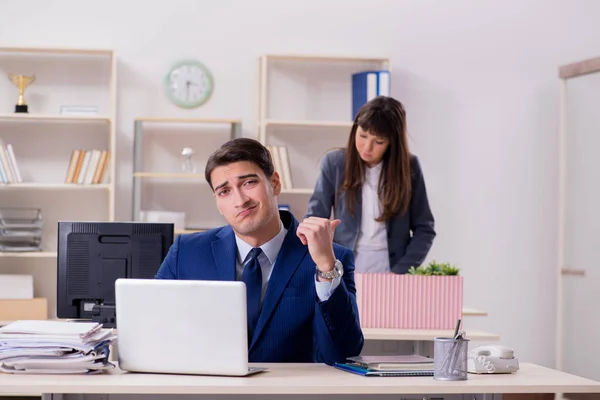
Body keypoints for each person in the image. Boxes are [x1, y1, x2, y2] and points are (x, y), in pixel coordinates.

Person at [155, 137, 363, 365]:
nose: (240, 200)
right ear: (217, 202)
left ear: (274, 183)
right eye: (225, 191)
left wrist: (325, 269)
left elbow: (343, 352)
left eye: (248, 183)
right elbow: (151, 329)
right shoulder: (186, 252)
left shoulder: (330, 258)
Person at [305, 96, 435, 274]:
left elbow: (424, 228)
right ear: (354, 130)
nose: (367, 147)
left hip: (392, 268)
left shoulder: (409, 167)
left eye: (378, 141)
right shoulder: (335, 163)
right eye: (363, 136)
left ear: (392, 142)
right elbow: (315, 220)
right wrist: (324, 264)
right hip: (342, 266)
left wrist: (401, 271)